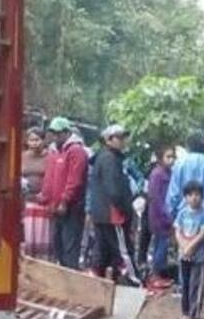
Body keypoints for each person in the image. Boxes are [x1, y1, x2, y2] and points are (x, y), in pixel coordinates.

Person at [88, 125, 139, 284]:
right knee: (123, 250)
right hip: (112, 213)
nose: (123, 141)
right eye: (119, 137)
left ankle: (100, 283)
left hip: (102, 213)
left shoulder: (106, 158)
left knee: (102, 251)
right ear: (108, 140)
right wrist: (126, 209)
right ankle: (134, 281)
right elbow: (114, 190)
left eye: (124, 137)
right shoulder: (109, 159)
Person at [40, 117, 89, 270]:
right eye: (53, 133)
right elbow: (49, 178)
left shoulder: (76, 151)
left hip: (71, 207)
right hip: (55, 207)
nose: (55, 136)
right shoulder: (53, 152)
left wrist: (65, 201)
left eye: (58, 133)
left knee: (70, 246)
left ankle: (71, 281)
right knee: (57, 245)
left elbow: (75, 180)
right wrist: (45, 198)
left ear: (67, 133)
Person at [175, 181, 204, 319]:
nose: (194, 198)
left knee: (195, 286)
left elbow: (203, 234)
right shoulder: (182, 213)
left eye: (197, 195)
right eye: (190, 195)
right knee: (184, 285)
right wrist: (184, 246)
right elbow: (178, 231)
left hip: (199, 257)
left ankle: (194, 316)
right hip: (184, 256)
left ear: (202, 197)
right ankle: (185, 313)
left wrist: (190, 246)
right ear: (185, 197)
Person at [166, 131, 204, 221]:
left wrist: (173, 214)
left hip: (183, 217)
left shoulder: (179, 164)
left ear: (188, 146)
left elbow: (173, 194)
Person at [20, 128, 53, 260]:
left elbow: (52, 177)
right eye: (31, 140)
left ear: (44, 141)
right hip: (27, 201)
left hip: (43, 202)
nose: (34, 143)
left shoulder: (50, 157)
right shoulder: (23, 156)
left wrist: (44, 194)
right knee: (29, 234)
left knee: (42, 234)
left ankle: (43, 261)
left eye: (37, 140)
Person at [146, 145, 176, 287]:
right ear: (160, 159)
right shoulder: (157, 174)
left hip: (165, 214)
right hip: (159, 216)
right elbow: (156, 198)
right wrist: (166, 216)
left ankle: (159, 273)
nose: (171, 160)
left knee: (162, 245)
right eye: (168, 157)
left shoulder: (169, 173)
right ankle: (156, 275)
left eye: (173, 157)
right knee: (161, 246)